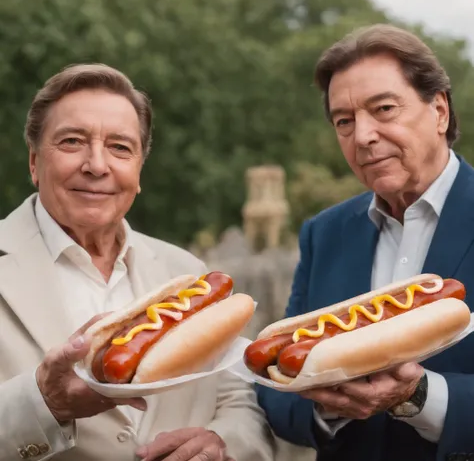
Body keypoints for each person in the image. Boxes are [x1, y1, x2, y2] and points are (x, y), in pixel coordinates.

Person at [0, 63, 275, 461]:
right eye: (73, 141)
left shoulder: (189, 272)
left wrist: (222, 443)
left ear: (138, 170)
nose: (97, 165)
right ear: (33, 162)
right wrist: (45, 403)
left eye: (120, 147)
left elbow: (238, 399)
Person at [256, 23, 474, 461]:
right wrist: (326, 406)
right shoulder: (324, 232)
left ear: (440, 111)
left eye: (384, 109)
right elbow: (274, 385)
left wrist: (420, 397)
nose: (363, 136)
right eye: (344, 121)